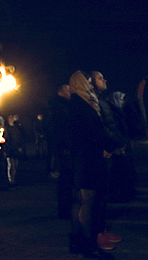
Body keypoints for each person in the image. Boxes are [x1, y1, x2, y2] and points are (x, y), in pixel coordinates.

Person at [67, 71, 116, 259]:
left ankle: (77, 240)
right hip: (87, 158)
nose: (89, 84)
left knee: (81, 200)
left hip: (82, 157)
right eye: (86, 81)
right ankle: (87, 242)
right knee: (86, 201)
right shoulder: (81, 105)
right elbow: (92, 132)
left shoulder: (79, 103)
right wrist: (107, 145)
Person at [90, 71, 124, 250]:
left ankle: (102, 230)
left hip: (108, 150)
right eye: (99, 78)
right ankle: (96, 235)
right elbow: (99, 126)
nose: (104, 80)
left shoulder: (100, 99)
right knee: (97, 196)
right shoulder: (92, 101)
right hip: (101, 153)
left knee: (104, 195)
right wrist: (106, 145)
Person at [47, 83, 72, 219]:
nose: (70, 92)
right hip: (64, 148)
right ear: (60, 92)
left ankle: (66, 209)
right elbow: (60, 130)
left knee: (66, 181)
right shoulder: (59, 108)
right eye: (67, 89)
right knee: (65, 181)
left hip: (64, 148)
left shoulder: (62, 106)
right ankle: (65, 210)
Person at [2, 114, 24, 186]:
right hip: (10, 149)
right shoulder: (7, 129)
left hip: (15, 149)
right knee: (10, 165)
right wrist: (6, 149)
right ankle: (10, 179)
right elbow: (6, 140)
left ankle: (13, 178)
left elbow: (19, 138)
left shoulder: (16, 128)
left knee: (15, 165)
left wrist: (20, 146)